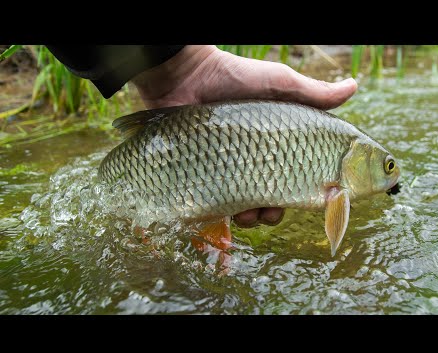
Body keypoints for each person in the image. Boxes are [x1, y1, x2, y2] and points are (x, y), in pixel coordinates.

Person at [47, 45, 357, 228]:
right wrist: (180, 62)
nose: (391, 176)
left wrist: (176, 62)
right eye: (387, 167)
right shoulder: (338, 186)